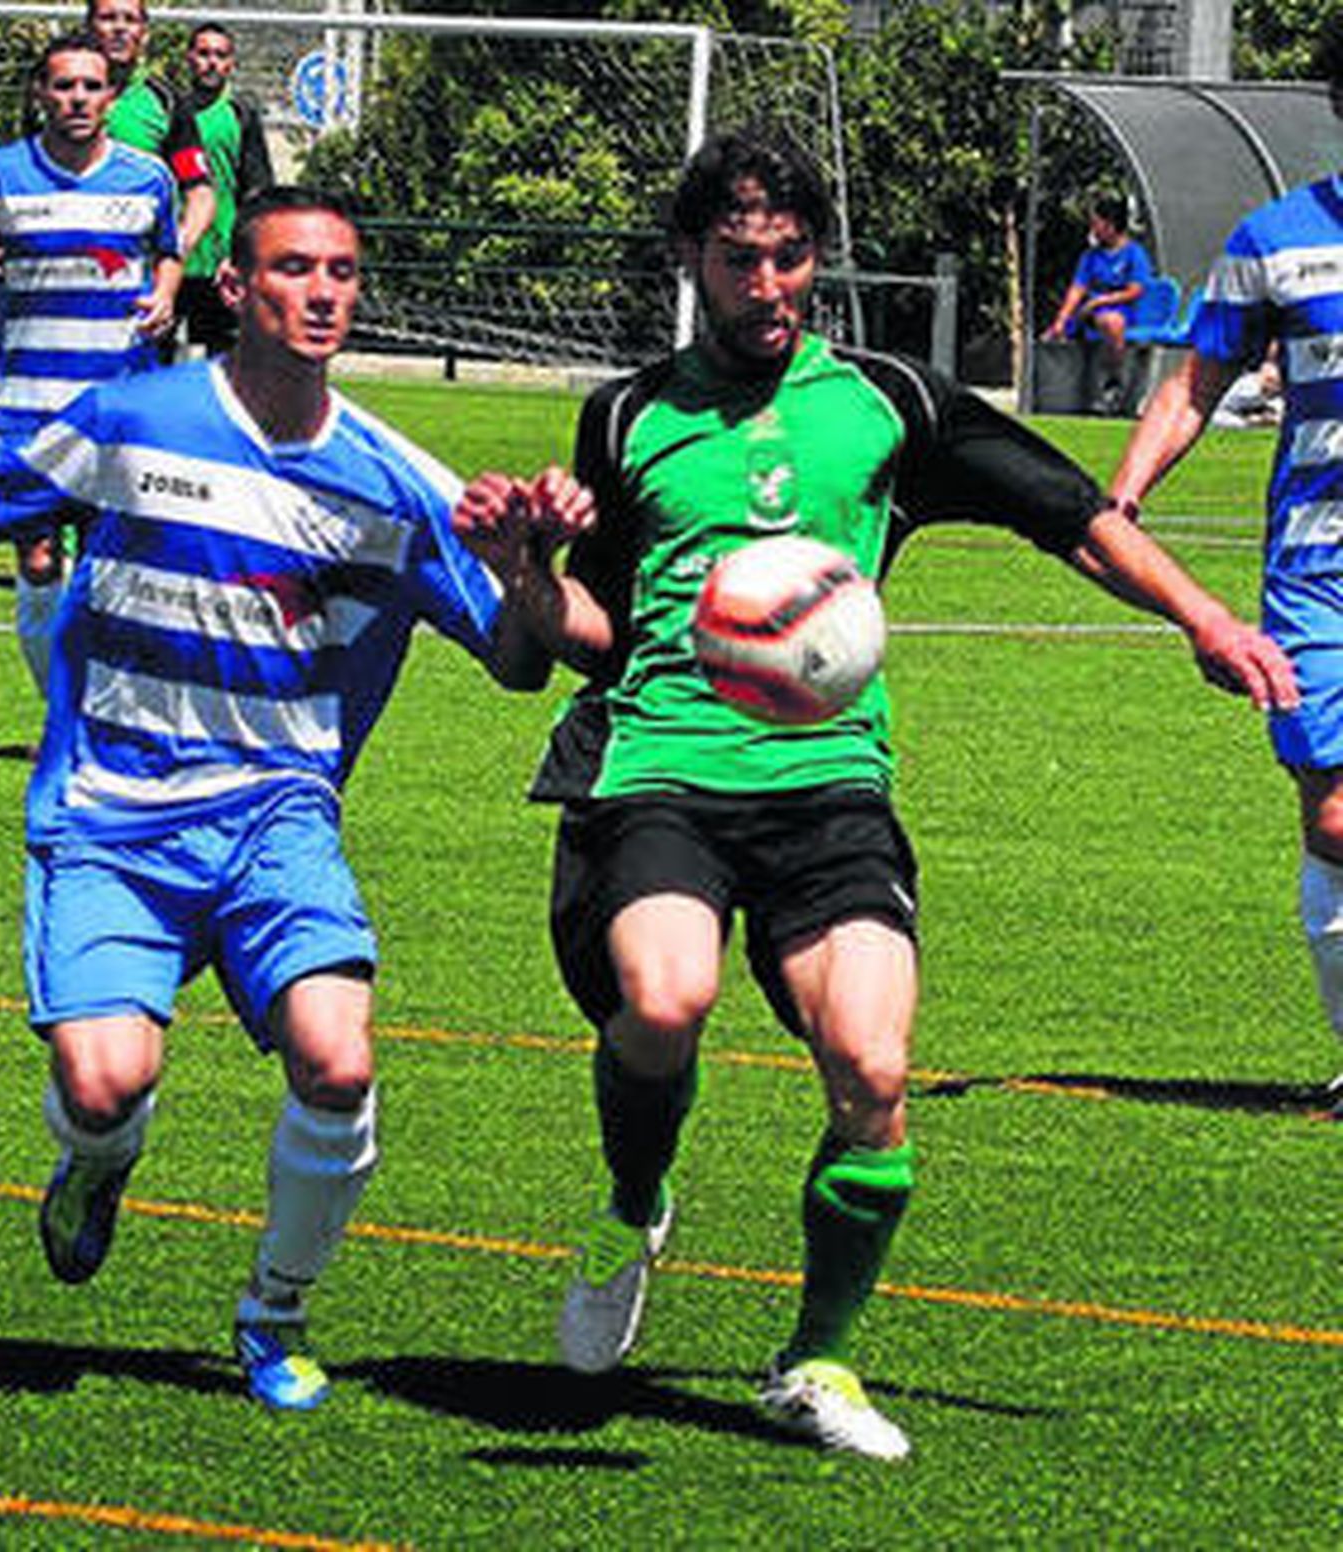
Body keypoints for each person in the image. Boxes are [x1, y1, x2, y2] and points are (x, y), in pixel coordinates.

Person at [455, 131, 1295, 1461]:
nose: (771, 285)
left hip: (832, 785)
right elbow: (593, 631)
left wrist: (1201, 617)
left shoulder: (891, 402)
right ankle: (633, 1200)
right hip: (665, 768)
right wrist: (525, 566)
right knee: (664, 1005)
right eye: (741, 262)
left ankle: (818, 1363)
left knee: (873, 1067)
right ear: (693, 263)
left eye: (791, 258)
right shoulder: (627, 417)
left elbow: (1068, 510)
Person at [0, 186, 570, 1413]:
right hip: (111, 816)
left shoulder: (394, 481)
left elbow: (516, 662)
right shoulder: (137, 417)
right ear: (236, 287)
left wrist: (532, 572)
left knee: (338, 1064)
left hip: (275, 818)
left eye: (342, 271)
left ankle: (274, 1311)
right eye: (294, 268)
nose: (323, 292)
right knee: (101, 1086)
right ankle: (95, 1164)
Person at [1109, 14, 1343, 1113]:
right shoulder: (1274, 241)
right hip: (1316, 570)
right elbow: (1194, 385)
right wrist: (1120, 498)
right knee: (1335, 817)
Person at [0, 31, 182, 697]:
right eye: (64, 85)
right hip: (27, 404)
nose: (77, 98)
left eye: (90, 86)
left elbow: (169, 250)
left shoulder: (147, 177)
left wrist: (165, 293)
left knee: (115, 568)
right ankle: (61, 716)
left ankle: (111, 712)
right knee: (38, 559)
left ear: (111, 95)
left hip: (118, 407)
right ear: (41, 93)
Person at [86, 0, 216, 273]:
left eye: (130, 20)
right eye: (108, 18)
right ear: (89, 26)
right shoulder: (56, 93)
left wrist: (175, 252)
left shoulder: (165, 101)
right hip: (62, 266)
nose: (119, 28)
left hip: (135, 272)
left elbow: (200, 193)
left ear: (144, 34)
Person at [179, 20, 275, 356]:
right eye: (203, 53)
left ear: (232, 63)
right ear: (189, 58)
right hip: (176, 255)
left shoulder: (241, 113)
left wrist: (240, 253)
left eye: (220, 55)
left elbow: (257, 188)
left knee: (222, 357)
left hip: (221, 260)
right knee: (158, 353)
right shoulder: (171, 110)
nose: (211, 62)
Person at [1042, 193, 1156, 415]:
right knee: (1054, 334)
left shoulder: (1134, 254)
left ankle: (1113, 385)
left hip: (1120, 312)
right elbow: (1077, 289)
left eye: (1096, 223)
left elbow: (1135, 290)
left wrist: (1101, 301)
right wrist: (1061, 320)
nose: (1092, 229)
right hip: (1090, 314)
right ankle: (1064, 395)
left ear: (1110, 225)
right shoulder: (1090, 256)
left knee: (1112, 322)